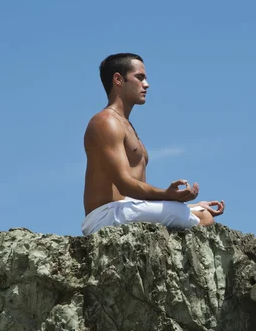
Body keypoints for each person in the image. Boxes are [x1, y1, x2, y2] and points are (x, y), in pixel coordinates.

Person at [81, 53, 225, 235]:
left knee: (201, 211)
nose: (146, 85)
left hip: (126, 209)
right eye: (139, 78)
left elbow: (137, 196)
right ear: (118, 79)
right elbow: (125, 184)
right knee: (202, 218)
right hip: (106, 215)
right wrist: (168, 196)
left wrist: (192, 205)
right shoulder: (105, 122)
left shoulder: (126, 125)